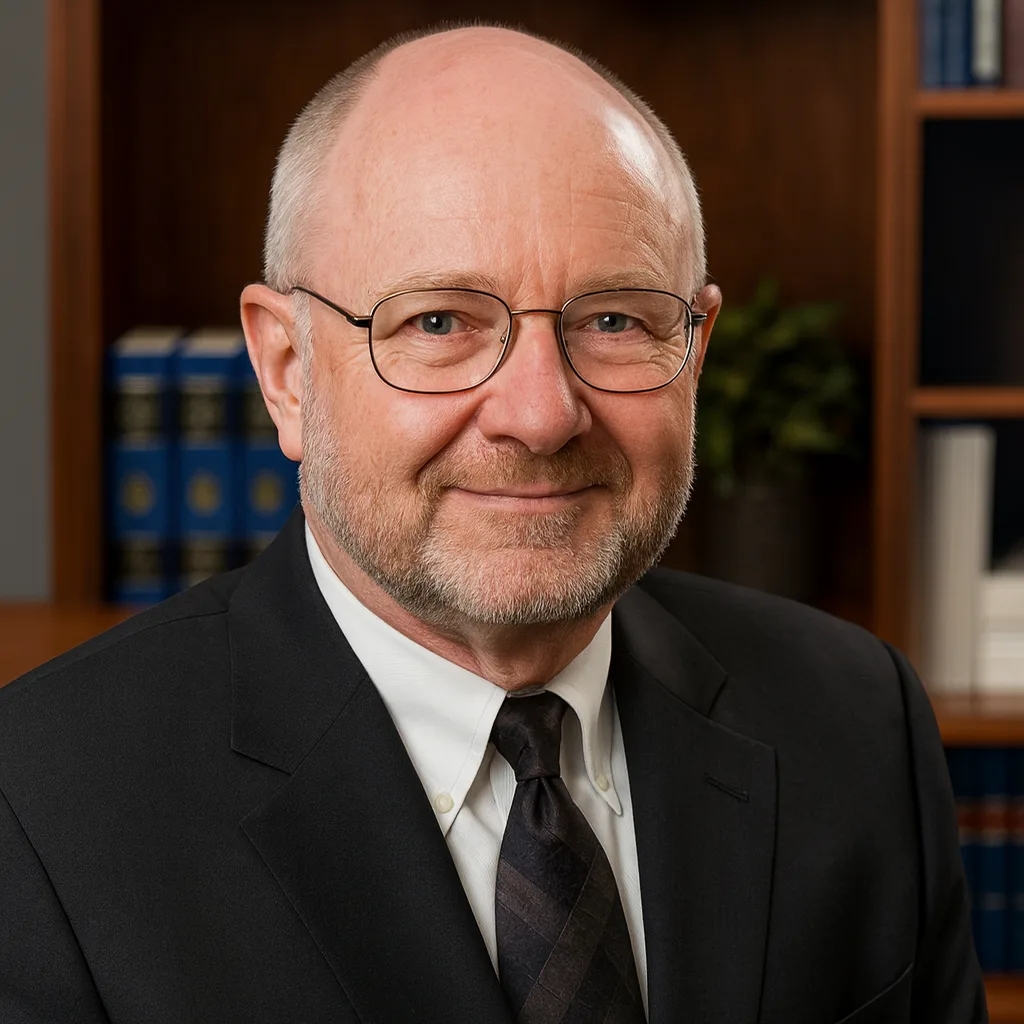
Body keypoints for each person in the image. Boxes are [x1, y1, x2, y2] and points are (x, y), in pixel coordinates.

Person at [0, 24, 985, 1024]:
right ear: (287, 371)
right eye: (438, 321)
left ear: (695, 348)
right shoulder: (39, 812)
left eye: (614, 319)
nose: (541, 413)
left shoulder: (858, 724)